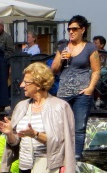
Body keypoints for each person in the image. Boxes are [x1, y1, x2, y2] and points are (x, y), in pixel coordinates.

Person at [51, 15, 100, 158]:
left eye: (74, 29)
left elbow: (96, 70)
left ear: (82, 30)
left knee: (79, 127)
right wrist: (61, 58)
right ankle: (62, 154)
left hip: (81, 93)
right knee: (60, 126)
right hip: (63, 92)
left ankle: (76, 156)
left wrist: (90, 88)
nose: (71, 32)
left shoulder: (89, 47)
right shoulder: (63, 47)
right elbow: (53, 70)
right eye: (69, 29)